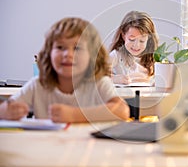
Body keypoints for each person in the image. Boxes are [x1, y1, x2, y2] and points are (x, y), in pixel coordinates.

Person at [0, 17, 129, 123]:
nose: (67, 54)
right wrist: (5, 111)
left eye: (77, 48)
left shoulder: (99, 83)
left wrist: (74, 115)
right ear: (48, 53)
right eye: (60, 47)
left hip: (89, 150)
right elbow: (6, 107)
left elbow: (122, 111)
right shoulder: (38, 85)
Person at [109, 10, 159, 85]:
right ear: (123, 35)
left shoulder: (152, 58)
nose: (136, 45)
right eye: (132, 39)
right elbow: (96, 76)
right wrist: (115, 79)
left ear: (148, 39)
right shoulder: (116, 55)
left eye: (142, 41)